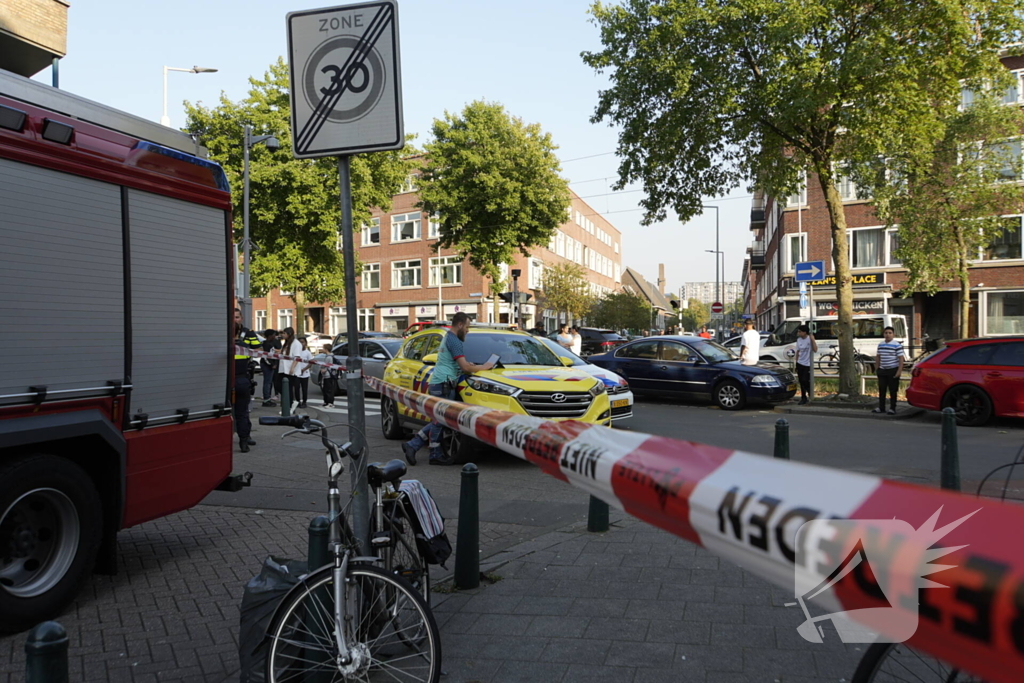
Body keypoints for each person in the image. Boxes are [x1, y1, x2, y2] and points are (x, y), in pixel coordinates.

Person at [402, 312, 496, 466]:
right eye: (467, 327)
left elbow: (456, 363)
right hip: (444, 384)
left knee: (440, 419)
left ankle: (415, 445)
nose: (467, 330)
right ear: (460, 324)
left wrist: (469, 365)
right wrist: (484, 367)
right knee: (441, 420)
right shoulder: (455, 341)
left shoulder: (448, 337)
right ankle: (431, 453)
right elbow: (465, 367)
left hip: (441, 383)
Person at [233, 308, 261, 452]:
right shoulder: (244, 347)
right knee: (242, 412)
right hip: (241, 380)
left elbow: (258, 349)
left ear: (242, 318)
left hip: (232, 380)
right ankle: (243, 441)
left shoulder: (248, 333)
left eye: (237, 317)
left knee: (238, 412)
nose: (235, 319)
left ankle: (245, 437)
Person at [873, 326, 904, 415]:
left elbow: (901, 359)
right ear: (883, 334)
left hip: (893, 370)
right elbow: (878, 356)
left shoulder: (897, 345)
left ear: (893, 334)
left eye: (890, 333)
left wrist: (899, 371)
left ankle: (892, 408)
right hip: (882, 370)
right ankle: (881, 407)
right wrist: (877, 368)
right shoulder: (881, 345)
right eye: (886, 333)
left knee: (893, 390)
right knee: (882, 390)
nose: (888, 335)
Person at [795, 325, 817, 405]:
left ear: (804, 332)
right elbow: (798, 351)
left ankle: (810, 393)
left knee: (805, 380)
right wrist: (796, 362)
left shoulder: (809, 339)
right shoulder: (799, 340)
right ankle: (803, 397)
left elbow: (815, 349)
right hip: (800, 363)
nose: (798, 333)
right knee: (801, 381)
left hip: (807, 364)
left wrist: (813, 340)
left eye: (800, 331)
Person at [281, 327, 303, 406]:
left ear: (289, 334)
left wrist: (292, 368)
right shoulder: (287, 342)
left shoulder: (296, 344)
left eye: (284, 333)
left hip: (290, 370)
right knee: (281, 386)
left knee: (289, 387)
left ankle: (291, 404)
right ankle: (288, 403)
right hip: (284, 369)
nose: (282, 335)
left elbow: (297, 357)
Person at [260, 329, 280, 407]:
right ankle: (266, 400)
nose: (275, 336)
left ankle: (267, 398)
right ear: (270, 336)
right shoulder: (266, 344)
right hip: (267, 365)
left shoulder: (270, 344)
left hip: (269, 365)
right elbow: (266, 357)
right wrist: (272, 364)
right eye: (274, 335)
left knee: (269, 382)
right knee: (267, 382)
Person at [293, 337, 313, 408]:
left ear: (305, 343)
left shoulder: (307, 353)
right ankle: (298, 401)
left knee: (304, 388)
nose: (301, 344)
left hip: (305, 374)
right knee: (296, 388)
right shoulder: (296, 352)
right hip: (296, 373)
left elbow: (310, 363)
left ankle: (304, 401)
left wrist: (304, 369)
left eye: (302, 342)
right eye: (300, 342)